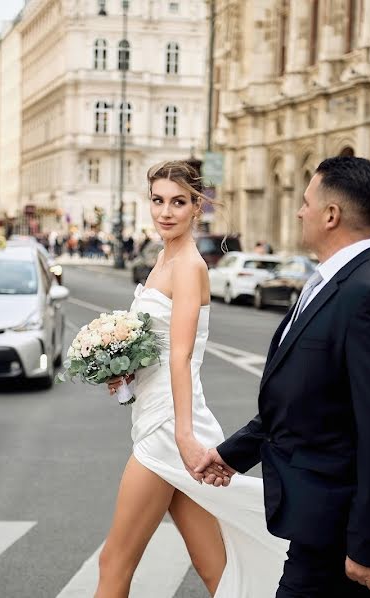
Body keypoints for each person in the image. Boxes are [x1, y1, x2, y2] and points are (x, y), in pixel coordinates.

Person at [196, 156, 370, 596]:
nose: (301, 211)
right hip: (319, 520)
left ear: (332, 215)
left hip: (340, 526)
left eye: (306, 202)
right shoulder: (336, 281)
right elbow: (305, 399)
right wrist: (232, 454)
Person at [97, 160, 287, 597]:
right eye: (158, 201)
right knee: (215, 569)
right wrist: (124, 373)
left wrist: (183, 435)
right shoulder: (163, 258)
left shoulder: (188, 265)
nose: (166, 211)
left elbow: (180, 357)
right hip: (160, 414)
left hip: (168, 427)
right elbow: (157, 348)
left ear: (196, 206)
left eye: (178, 202)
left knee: (114, 562)